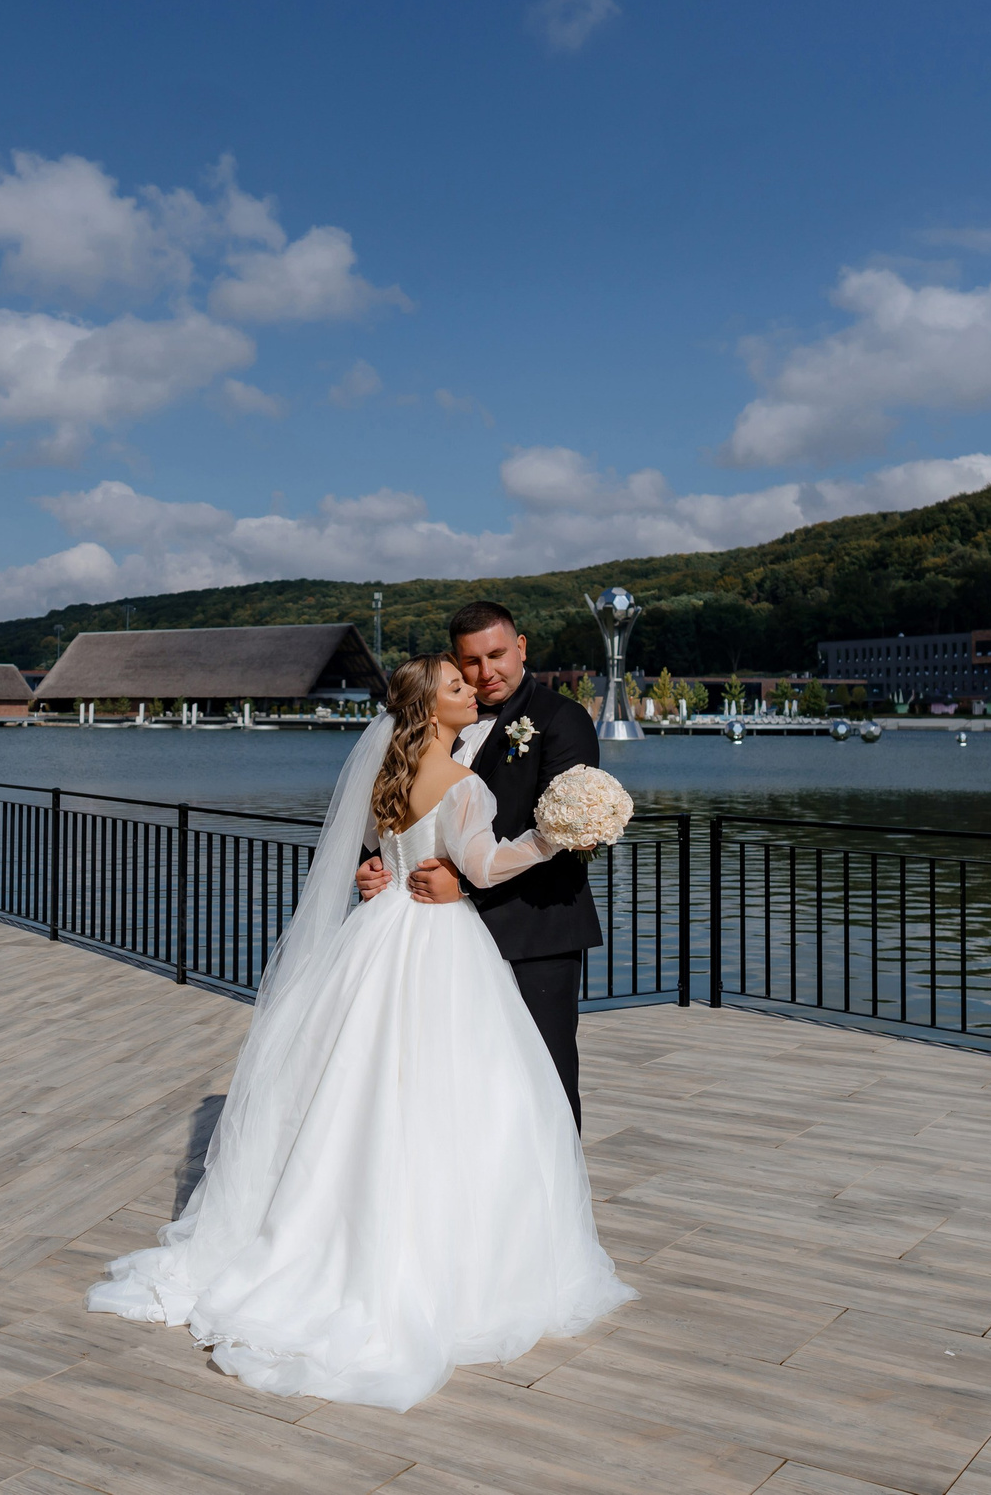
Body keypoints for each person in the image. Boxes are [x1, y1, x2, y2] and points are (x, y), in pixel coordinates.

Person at [86, 654, 634, 1411]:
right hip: (441, 942)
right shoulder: (461, 782)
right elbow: (486, 864)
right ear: (431, 710)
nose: (469, 690)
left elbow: (388, 854)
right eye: (454, 686)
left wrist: (390, 869)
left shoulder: (390, 780)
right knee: (462, 1093)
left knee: (352, 1080)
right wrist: (553, 836)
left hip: (380, 936)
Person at [357, 601, 601, 1127]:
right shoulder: (439, 731)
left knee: (544, 1079)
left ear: (522, 648)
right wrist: (372, 863)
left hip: (533, 932)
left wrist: (464, 886)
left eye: (497, 655)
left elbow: (573, 830)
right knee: (449, 1082)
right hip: (434, 942)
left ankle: (553, 1204)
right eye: (470, 662)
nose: (485, 673)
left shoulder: (563, 720)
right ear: (454, 662)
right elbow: (395, 811)